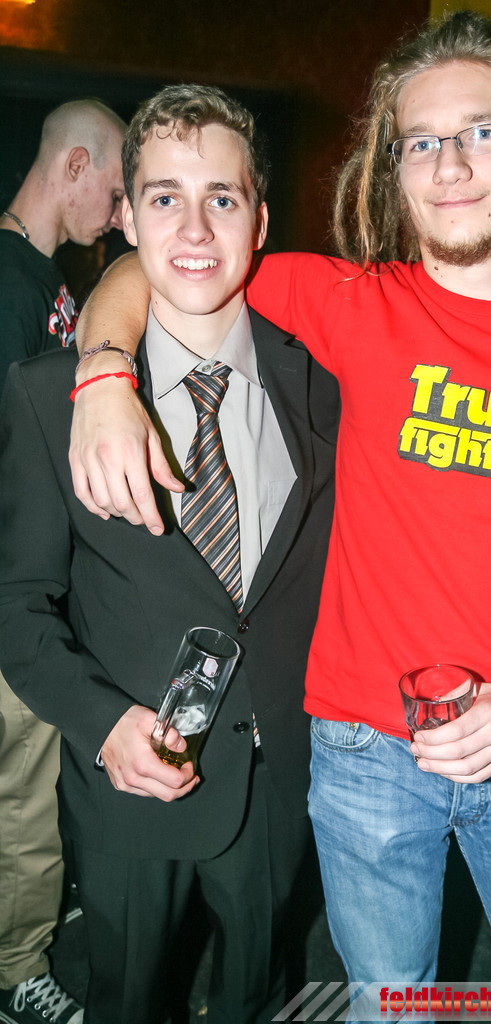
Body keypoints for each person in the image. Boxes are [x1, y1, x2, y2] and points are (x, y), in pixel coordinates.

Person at [64, 13, 491, 1022]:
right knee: (390, 1006)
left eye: (481, 132)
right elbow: (164, 262)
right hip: (363, 756)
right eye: (419, 141)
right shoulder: (355, 304)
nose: (449, 163)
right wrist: (100, 378)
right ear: (395, 172)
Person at [0, 84, 337, 1024]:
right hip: (128, 789)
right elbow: (14, 606)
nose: (194, 228)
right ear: (126, 218)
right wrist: (102, 723)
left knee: (258, 995)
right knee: (128, 1000)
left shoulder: (325, 383)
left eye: (221, 197)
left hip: (279, 780)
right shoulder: (48, 398)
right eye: (163, 197)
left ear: (259, 221)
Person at [0, 98, 125, 1024]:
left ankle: (24, 915)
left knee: (33, 782)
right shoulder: (5, 280)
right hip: (11, 584)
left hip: (39, 578)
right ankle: (16, 970)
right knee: (23, 788)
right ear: (75, 166)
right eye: (116, 193)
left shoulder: (48, 280)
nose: (118, 215)